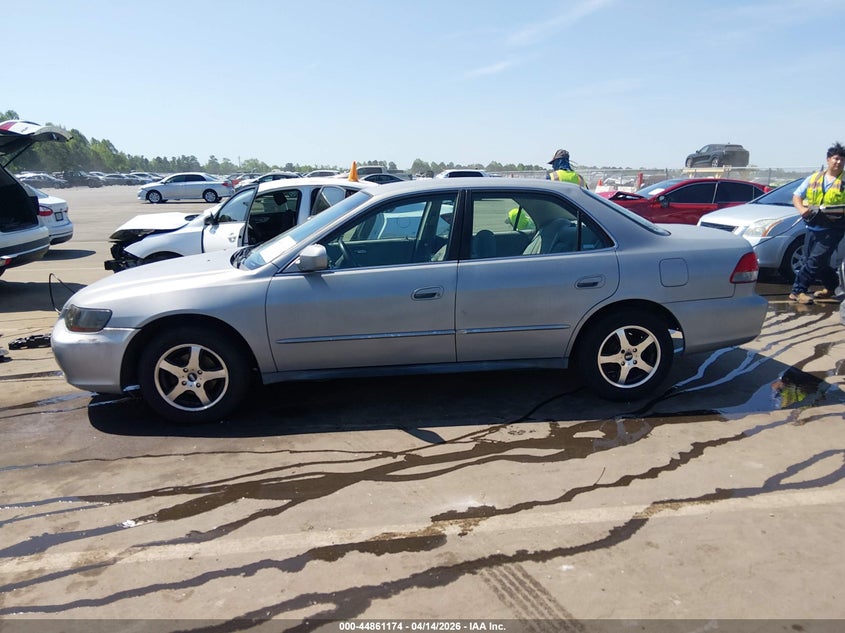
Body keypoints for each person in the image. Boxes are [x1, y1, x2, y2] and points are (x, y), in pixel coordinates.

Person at [789, 142, 845, 304]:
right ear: (828, 160)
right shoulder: (814, 178)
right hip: (813, 225)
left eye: (842, 159)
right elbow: (796, 196)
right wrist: (801, 209)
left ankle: (798, 290)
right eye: (835, 158)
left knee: (815, 260)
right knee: (813, 261)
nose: (838, 162)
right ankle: (832, 286)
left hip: (835, 227)